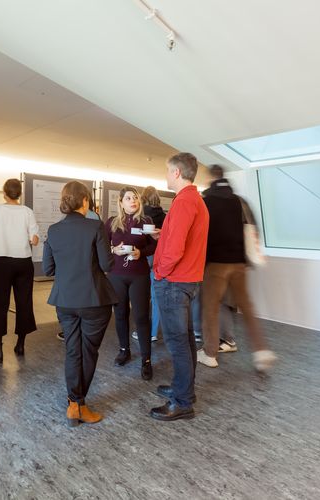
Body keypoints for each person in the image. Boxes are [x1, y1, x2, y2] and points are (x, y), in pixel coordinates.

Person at [43, 181, 116, 426]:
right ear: (85, 200)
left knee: (73, 350)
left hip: (65, 300)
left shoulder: (53, 230)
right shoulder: (95, 226)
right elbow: (106, 265)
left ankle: (74, 402)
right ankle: (78, 404)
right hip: (94, 300)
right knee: (88, 351)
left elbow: (48, 268)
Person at [198, 165, 276, 372]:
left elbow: (201, 236)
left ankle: (210, 353)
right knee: (247, 307)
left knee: (211, 308)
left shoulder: (206, 202)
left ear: (210, 178)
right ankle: (261, 351)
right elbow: (253, 231)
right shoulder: (240, 201)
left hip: (215, 264)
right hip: (238, 264)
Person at [149, 152, 209, 421]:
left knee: (178, 344)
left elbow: (176, 249)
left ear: (176, 173)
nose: (165, 175)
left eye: (166, 170)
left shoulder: (184, 202)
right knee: (183, 340)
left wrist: (160, 272)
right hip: (186, 279)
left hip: (174, 281)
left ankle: (182, 402)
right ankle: (183, 390)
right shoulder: (194, 200)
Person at [0, 179, 40, 363]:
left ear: (4, 193)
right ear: (19, 193)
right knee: (24, 302)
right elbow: (34, 239)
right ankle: (20, 344)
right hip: (24, 262)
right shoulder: (27, 212)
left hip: (2, 262)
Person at [105, 187, 157, 379]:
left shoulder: (146, 222)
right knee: (120, 314)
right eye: (128, 198)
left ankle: (146, 360)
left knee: (142, 316)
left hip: (139, 275)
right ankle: (124, 350)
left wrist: (141, 253)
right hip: (116, 275)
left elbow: (154, 245)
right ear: (120, 202)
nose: (133, 201)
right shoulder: (111, 223)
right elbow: (102, 245)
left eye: (135, 198)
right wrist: (113, 250)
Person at [140, 186, 166, 343]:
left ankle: (143, 329)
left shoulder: (141, 215)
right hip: (159, 257)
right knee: (156, 296)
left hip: (144, 256)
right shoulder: (164, 216)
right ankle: (153, 332)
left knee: (142, 295)